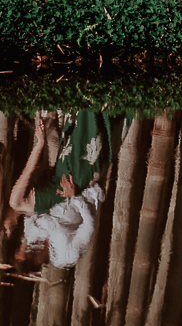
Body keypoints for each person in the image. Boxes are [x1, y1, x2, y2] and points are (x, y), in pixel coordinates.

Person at [7, 114, 110, 269]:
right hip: (83, 190)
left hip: (60, 180)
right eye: (23, 253)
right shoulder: (66, 256)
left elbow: (32, 210)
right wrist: (74, 196)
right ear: (34, 261)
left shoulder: (31, 235)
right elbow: (90, 225)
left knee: (72, 135)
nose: (23, 247)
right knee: (92, 137)